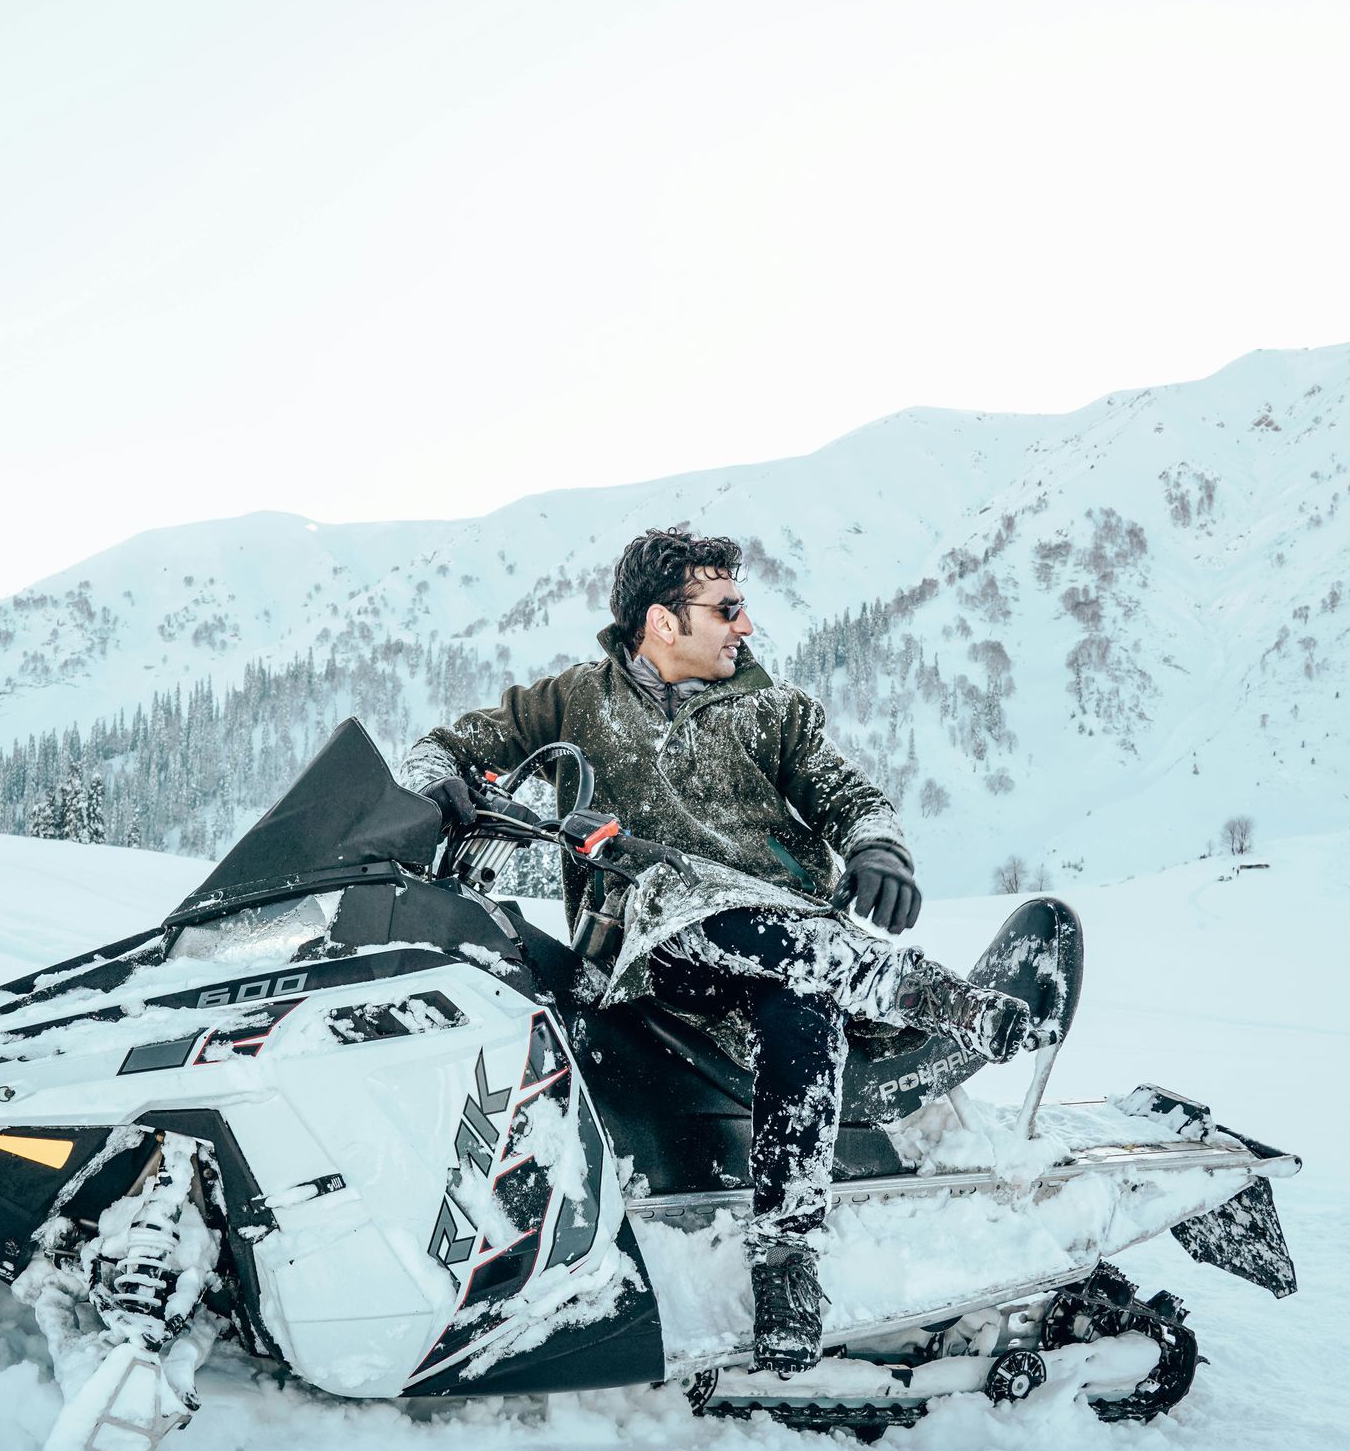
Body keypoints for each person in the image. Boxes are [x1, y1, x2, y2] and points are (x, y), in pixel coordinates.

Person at [400, 524, 1048, 1373]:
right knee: (669, 883)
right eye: (727, 608)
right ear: (663, 622)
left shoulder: (774, 712)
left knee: (803, 1005)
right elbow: (443, 747)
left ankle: (787, 1254)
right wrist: (431, 787)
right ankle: (917, 990)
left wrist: (877, 848)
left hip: (773, 964)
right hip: (644, 960)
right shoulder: (571, 704)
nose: (745, 626)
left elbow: (850, 793)